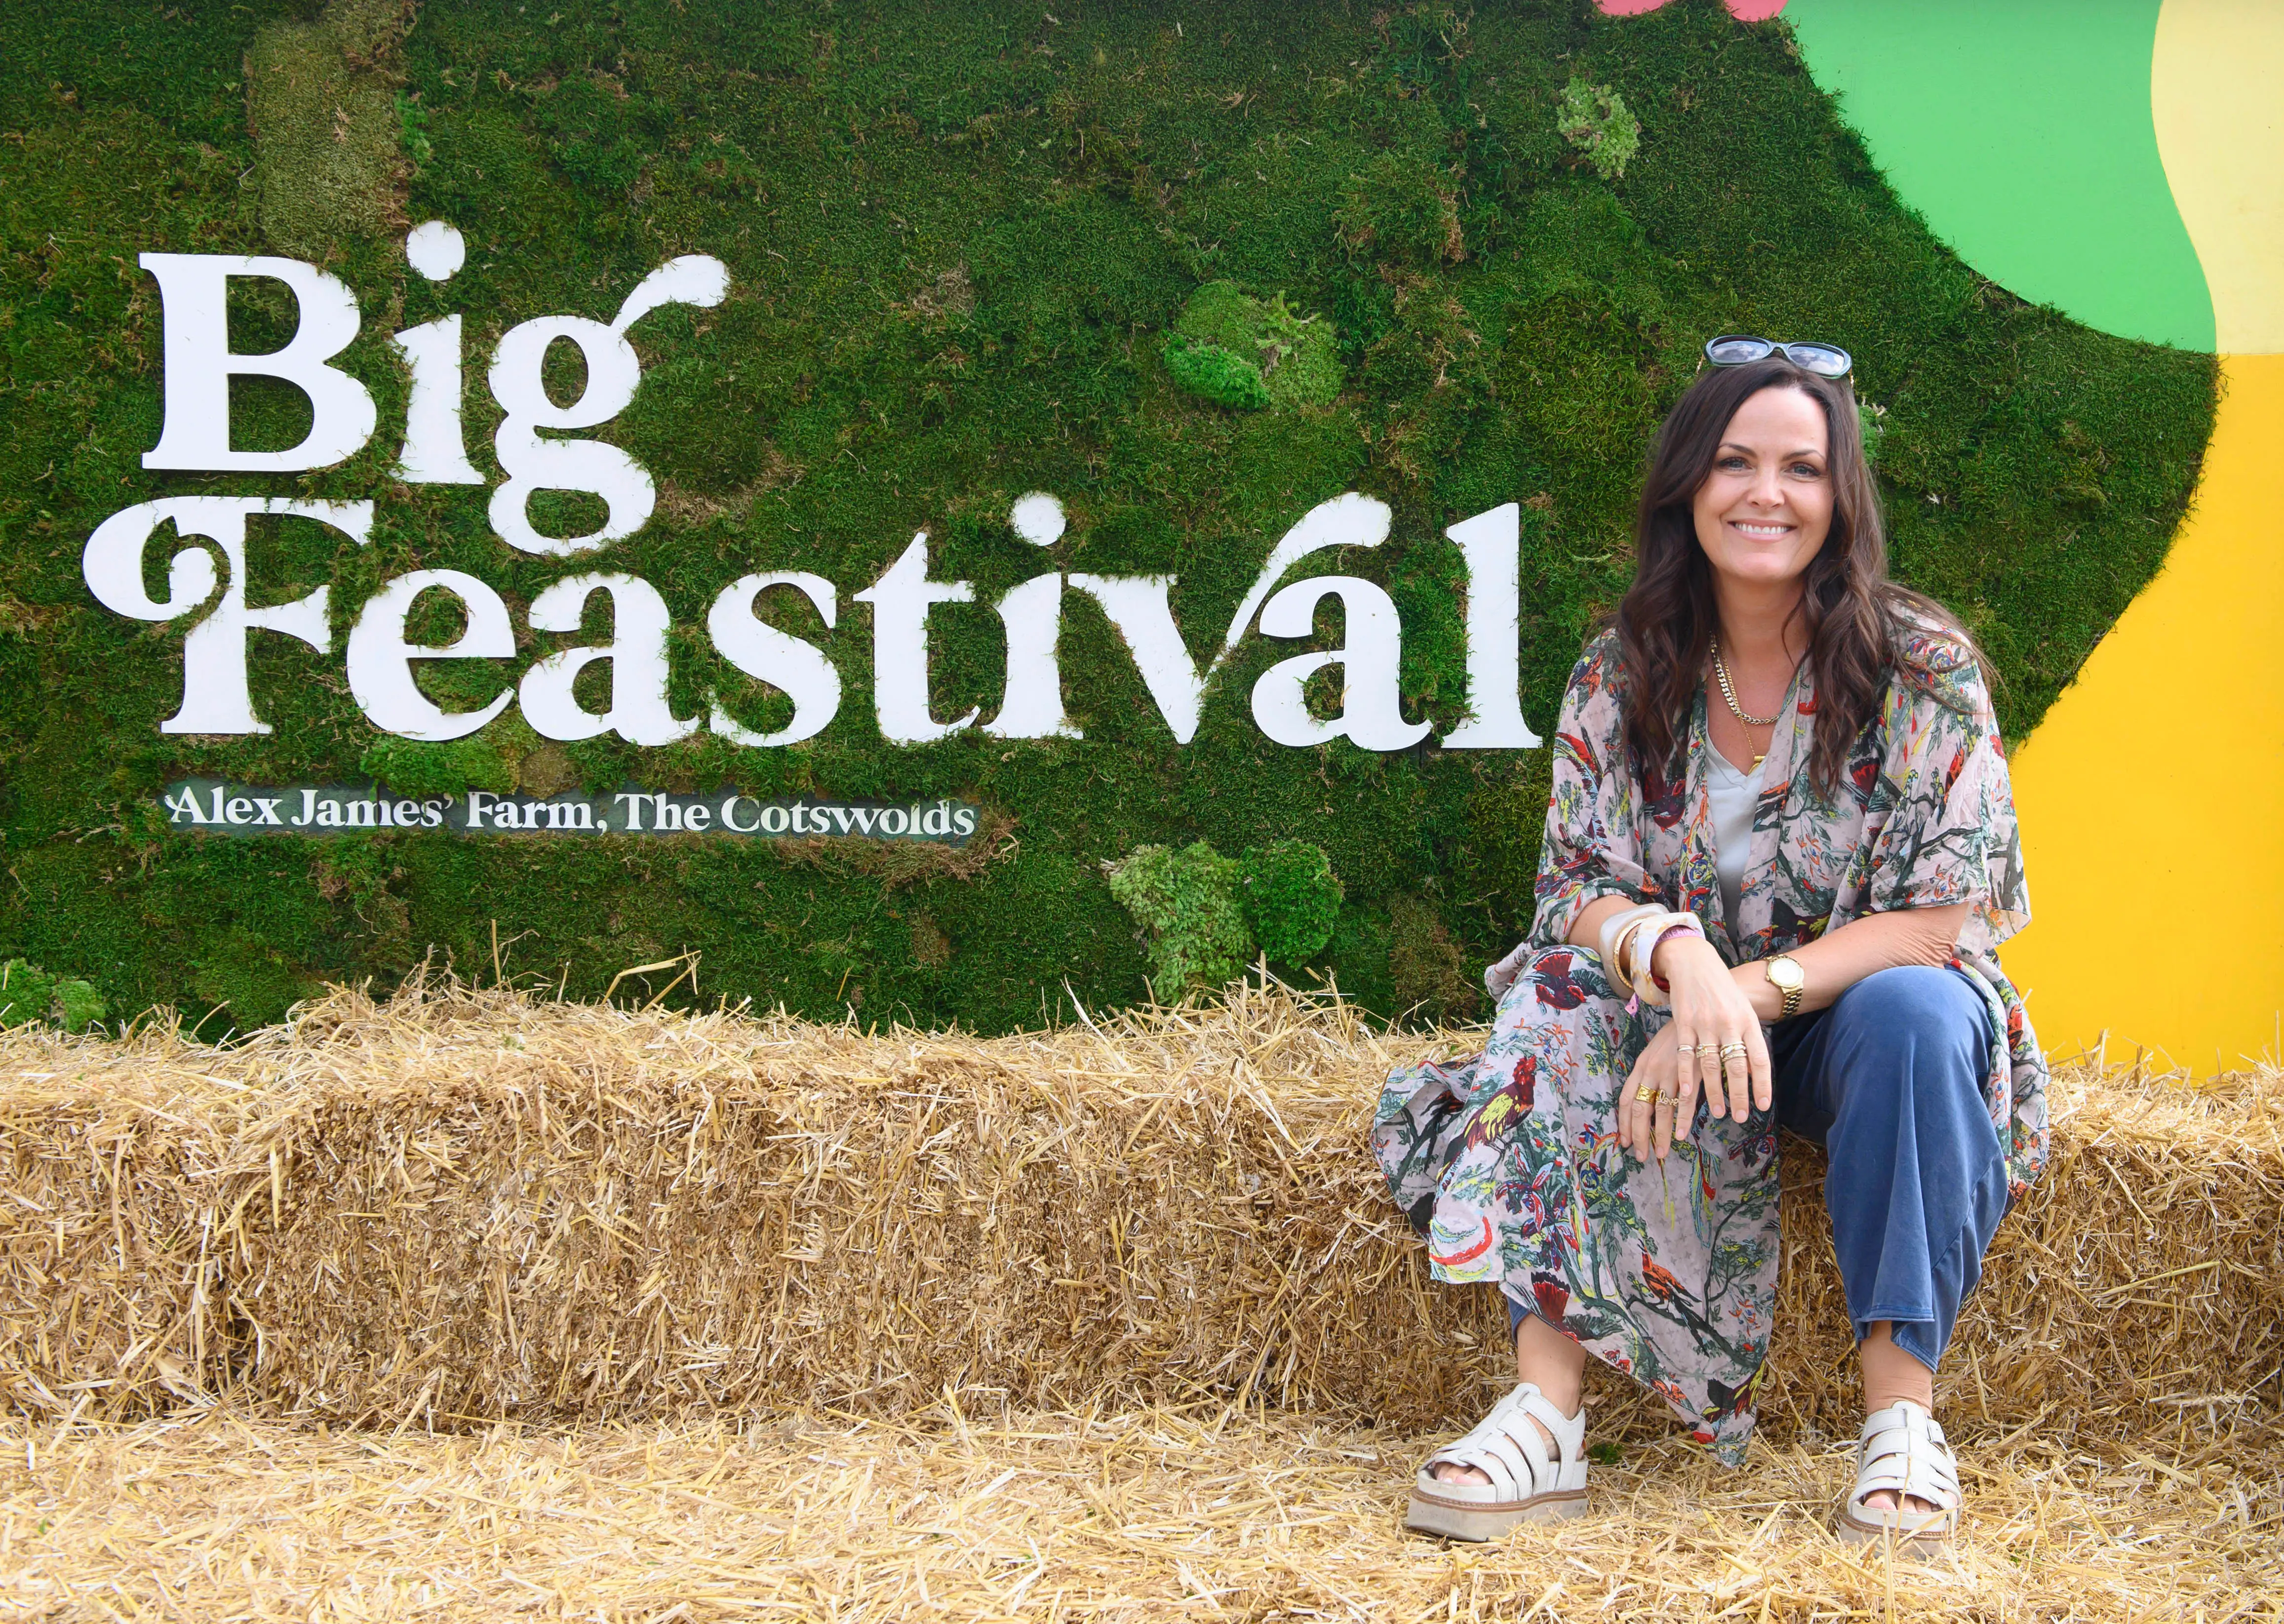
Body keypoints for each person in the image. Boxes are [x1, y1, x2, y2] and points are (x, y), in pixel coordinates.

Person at [1373, 337, 2046, 1553]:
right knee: (1564, 1001)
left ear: (1841, 497)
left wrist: (1749, 989)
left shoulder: (1922, 668)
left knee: (1920, 1012)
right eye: (1734, 461)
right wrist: (1682, 968)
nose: (1765, 493)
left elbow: (1945, 915)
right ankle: (1546, 1416)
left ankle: (1901, 1423)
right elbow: (1576, 886)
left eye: (1801, 467)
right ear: (1689, 482)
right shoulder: (1623, 666)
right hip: (1676, 1008)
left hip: (1848, 1015)